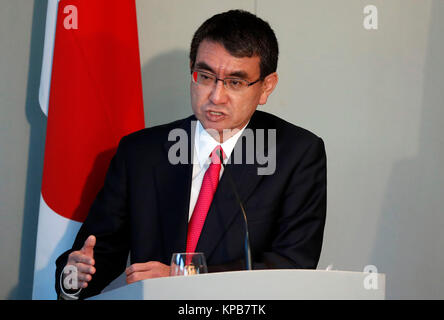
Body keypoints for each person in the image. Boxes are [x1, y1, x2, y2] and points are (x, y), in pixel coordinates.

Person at [55, 9, 327, 300]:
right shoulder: (141, 153)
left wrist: (185, 276)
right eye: (206, 76)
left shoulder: (296, 153)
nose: (215, 96)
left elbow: (292, 264)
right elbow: (97, 254)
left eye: (235, 82)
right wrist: (74, 277)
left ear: (266, 87)